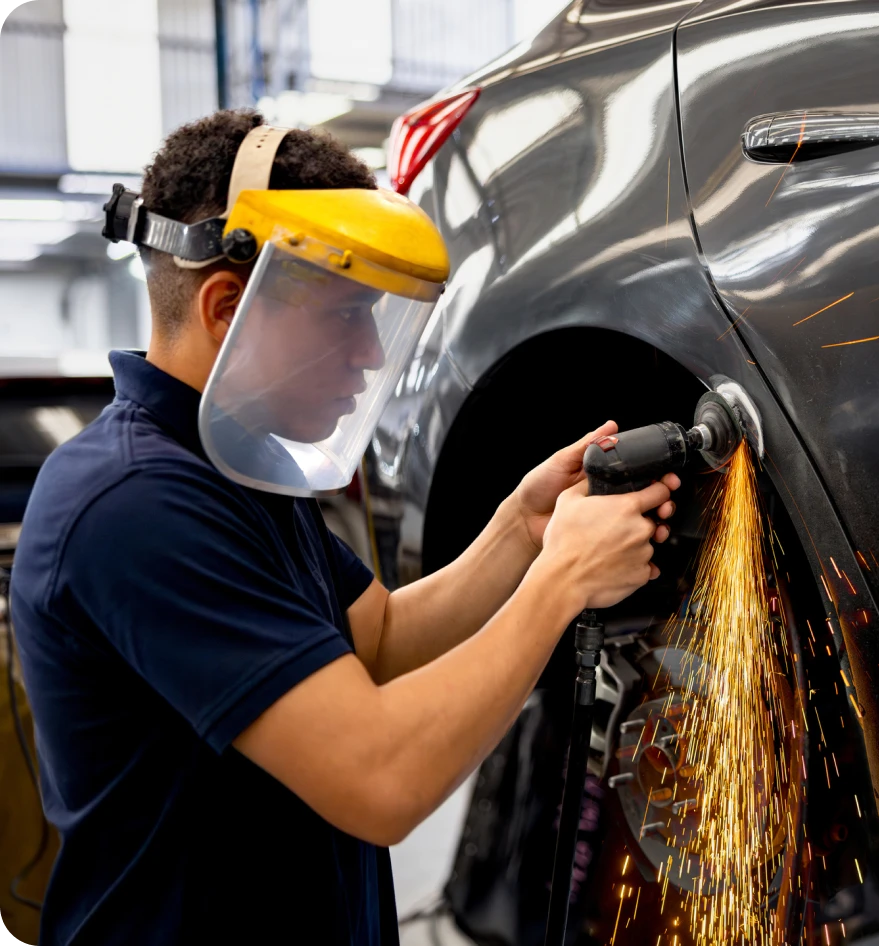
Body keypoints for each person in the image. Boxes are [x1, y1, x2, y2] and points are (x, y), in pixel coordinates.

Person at [9, 110, 679, 946]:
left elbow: (381, 638)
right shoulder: (135, 504)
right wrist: (560, 586)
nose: (369, 355)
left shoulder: (236, 462)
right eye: (345, 315)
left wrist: (522, 531)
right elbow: (382, 779)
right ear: (227, 306)